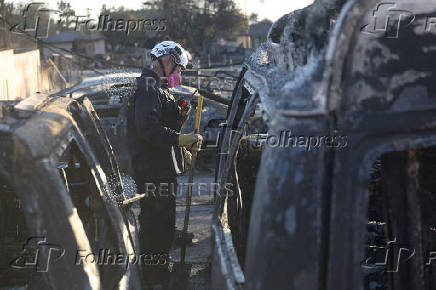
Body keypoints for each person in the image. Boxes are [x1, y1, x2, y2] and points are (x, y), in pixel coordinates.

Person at [126, 41, 202, 284]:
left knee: (162, 225)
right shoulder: (148, 87)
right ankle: (154, 278)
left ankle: (157, 273)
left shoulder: (155, 88)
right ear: (165, 61)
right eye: (177, 68)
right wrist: (181, 139)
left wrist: (178, 115)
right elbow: (148, 129)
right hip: (152, 172)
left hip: (157, 169)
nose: (178, 74)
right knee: (157, 227)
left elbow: (160, 124)